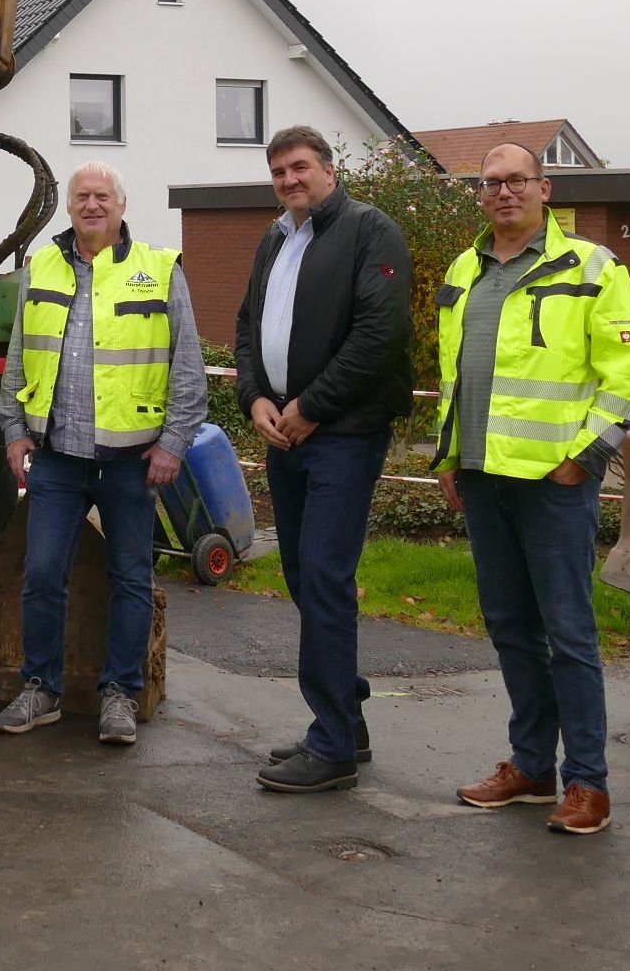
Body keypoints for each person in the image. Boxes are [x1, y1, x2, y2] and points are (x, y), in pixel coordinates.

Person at [434, 142, 630, 837]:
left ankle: (589, 784)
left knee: (568, 633)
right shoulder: (464, 271)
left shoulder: (592, 267)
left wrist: (584, 461)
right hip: (484, 478)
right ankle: (531, 767)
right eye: (491, 183)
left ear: (544, 188)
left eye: (516, 180)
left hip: (555, 484)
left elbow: (627, 377)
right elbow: (457, 375)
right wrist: (450, 456)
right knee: (511, 630)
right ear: (479, 194)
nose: (503, 193)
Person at [0, 162, 206, 746]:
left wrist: (173, 443)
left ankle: (119, 694)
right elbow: (17, 358)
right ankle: (42, 690)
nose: (92, 204)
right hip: (57, 457)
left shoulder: (159, 270)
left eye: (102, 196)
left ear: (121, 204)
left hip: (132, 461)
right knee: (40, 575)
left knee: (131, 578)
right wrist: (13, 429)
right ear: (68, 205)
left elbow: (188, 369)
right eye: (82, 196)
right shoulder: (44, 267)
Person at [235, 124, 414, 793]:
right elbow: (248, 326)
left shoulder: (371, 232)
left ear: (329, 171)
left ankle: (333, 743)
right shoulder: (275, 238)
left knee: (326, 576)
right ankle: (347, 717)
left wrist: (311, 406)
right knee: (302, 572)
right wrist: (255, 398)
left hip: (341, 433)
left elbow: (379, 333)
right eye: (279, 171)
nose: (289, 180)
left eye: (300, 167)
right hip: (285, 430)